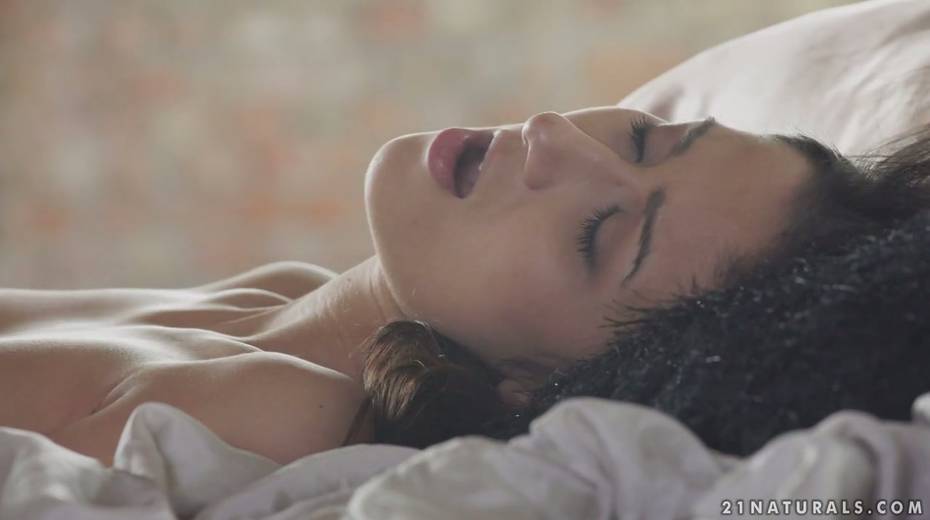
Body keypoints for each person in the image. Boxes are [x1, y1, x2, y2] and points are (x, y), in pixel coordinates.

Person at [0, 105, 885, 465]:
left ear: (535, 387)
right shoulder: (283, 293)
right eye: (644, 137)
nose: (553, 136)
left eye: (598, 233)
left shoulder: (281, 411)